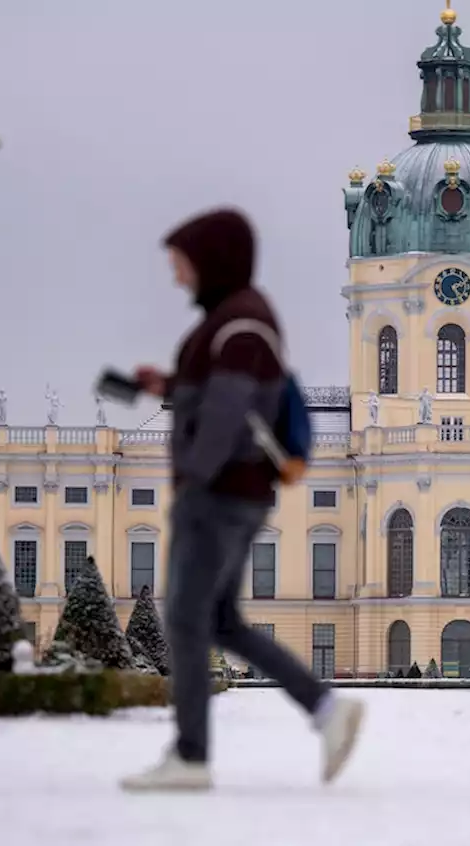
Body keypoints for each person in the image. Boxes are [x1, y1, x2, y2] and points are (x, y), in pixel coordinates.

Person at [119, 208, 365, 792]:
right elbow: (227, 394)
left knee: (183, 616)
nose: (178, 277)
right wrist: (169, 388)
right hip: (236, 492)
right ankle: (327, 709)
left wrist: (193, 481)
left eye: (182, 264)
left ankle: (191, 756)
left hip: (221, 494)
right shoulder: (238, 322)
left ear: (214, 261)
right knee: (222, 620)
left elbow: (230, 412)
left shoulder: (242, 323)